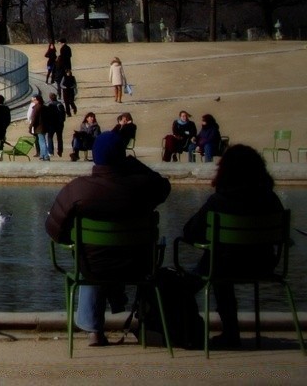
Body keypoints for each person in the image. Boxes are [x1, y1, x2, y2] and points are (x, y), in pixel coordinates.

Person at [44, 131, 171, 346]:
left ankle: (93, 330)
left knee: (89, 259)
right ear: (123, 156)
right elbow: (164, 186)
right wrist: (134, 164)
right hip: (139, 264)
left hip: (94, 266)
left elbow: (53, 230)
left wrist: (74, 240)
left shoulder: (78, 189)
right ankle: (147, 322)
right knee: (101, 257)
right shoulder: (144, 187)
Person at [181, 144, 283, 349]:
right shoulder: (271, 199)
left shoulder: (218, 201)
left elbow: (190, 232)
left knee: (216, 263)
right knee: (221, 258)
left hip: (223, 266)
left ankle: (220, 331)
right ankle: (230, 332)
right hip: (262, 265)